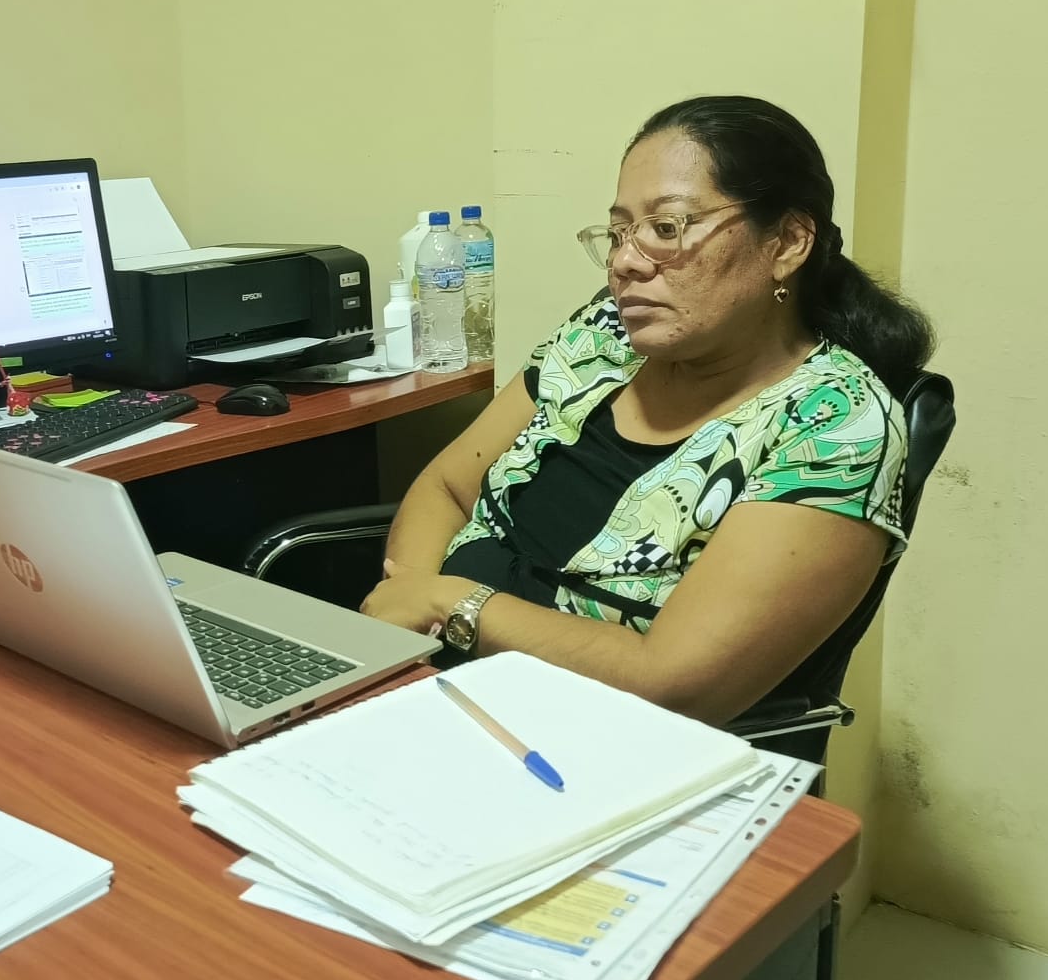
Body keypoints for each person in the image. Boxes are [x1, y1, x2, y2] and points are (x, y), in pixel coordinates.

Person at [361, 96, 934, 726]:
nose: (624, 262)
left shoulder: (835, 424)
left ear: (789, 242)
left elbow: (671, 682)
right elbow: (446, 488)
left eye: (666, 228)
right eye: (618, 233)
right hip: (426, 691)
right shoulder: (602, 337)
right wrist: (403, 643)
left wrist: (451, 605)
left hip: (591, 744)